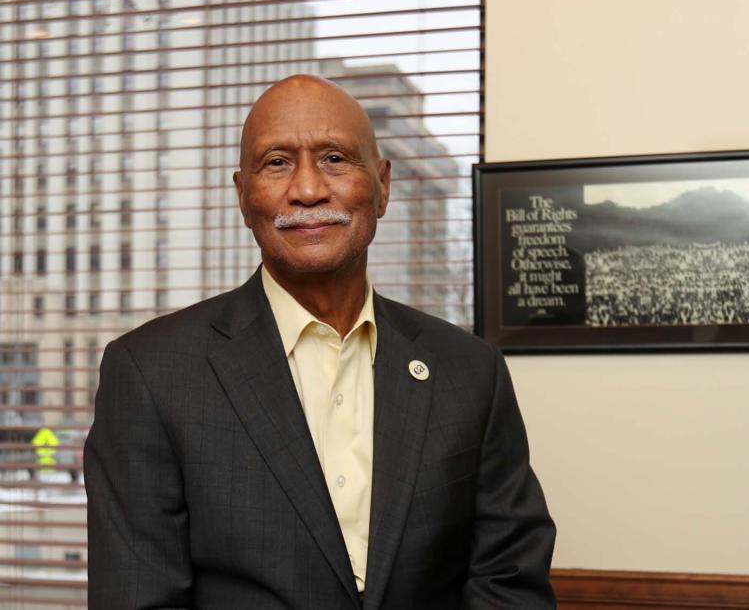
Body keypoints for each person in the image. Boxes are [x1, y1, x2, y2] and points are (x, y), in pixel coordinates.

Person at [84, 75, 556, 609]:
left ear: (382, 185)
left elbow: (508, 583)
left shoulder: (471, 371)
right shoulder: (151, 373)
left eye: (334, 158)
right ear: (242, 194)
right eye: (277, 162)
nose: (308, 189)